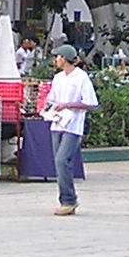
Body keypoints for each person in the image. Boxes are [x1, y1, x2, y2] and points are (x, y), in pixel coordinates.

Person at [43, 45, 97, 214]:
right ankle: (65, 200)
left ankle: (69, 200)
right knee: (60, 164)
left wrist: (68, 105)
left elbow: (90, 103)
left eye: (58, 57)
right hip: (57, 123)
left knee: (62, 160)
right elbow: (51, 98)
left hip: (73, 125)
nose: (56, 60)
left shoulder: (81, 78)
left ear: (65, 58)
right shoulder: (58, 78)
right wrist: (48, 107)